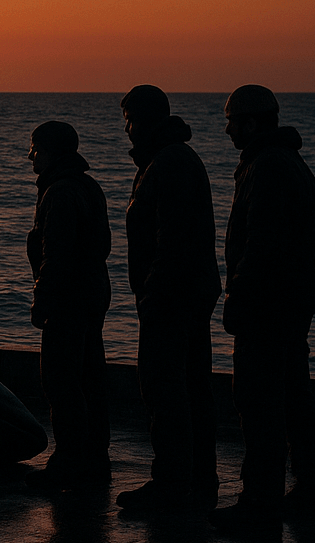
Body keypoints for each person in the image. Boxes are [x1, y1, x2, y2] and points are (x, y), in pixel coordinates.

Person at [210, 85, 315, 534]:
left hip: (268, 307)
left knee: (259, 401)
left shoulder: (268, 167)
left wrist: (238, 296)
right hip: (291, 304)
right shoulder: (288, 163)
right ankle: (310, 493)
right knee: (295, 399)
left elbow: (260, 245)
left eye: (230, 121)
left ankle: (261, 499)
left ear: (250, 123)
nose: (226, 130)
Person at [114, 85, 223, 514]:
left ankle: (173, 482)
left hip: (172, 297)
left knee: (166, 388)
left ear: (144, 119)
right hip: (184, 294)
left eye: (129, 120)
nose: (126, 130)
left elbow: (172, 240)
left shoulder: (170, 163)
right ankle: (196, 478)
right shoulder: (169, 160)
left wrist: (154, 292)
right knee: (190, 386)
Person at [25, 120, 112, 490]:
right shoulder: (87, 185)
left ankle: (69, 461)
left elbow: (56, 255)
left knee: (61, 379)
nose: (31, 155)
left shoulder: (59, 192)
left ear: (52, 152)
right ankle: (94, 458)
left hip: (68, 298)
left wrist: (43, 299)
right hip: (92, 295)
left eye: (36, 148)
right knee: (90, 377)